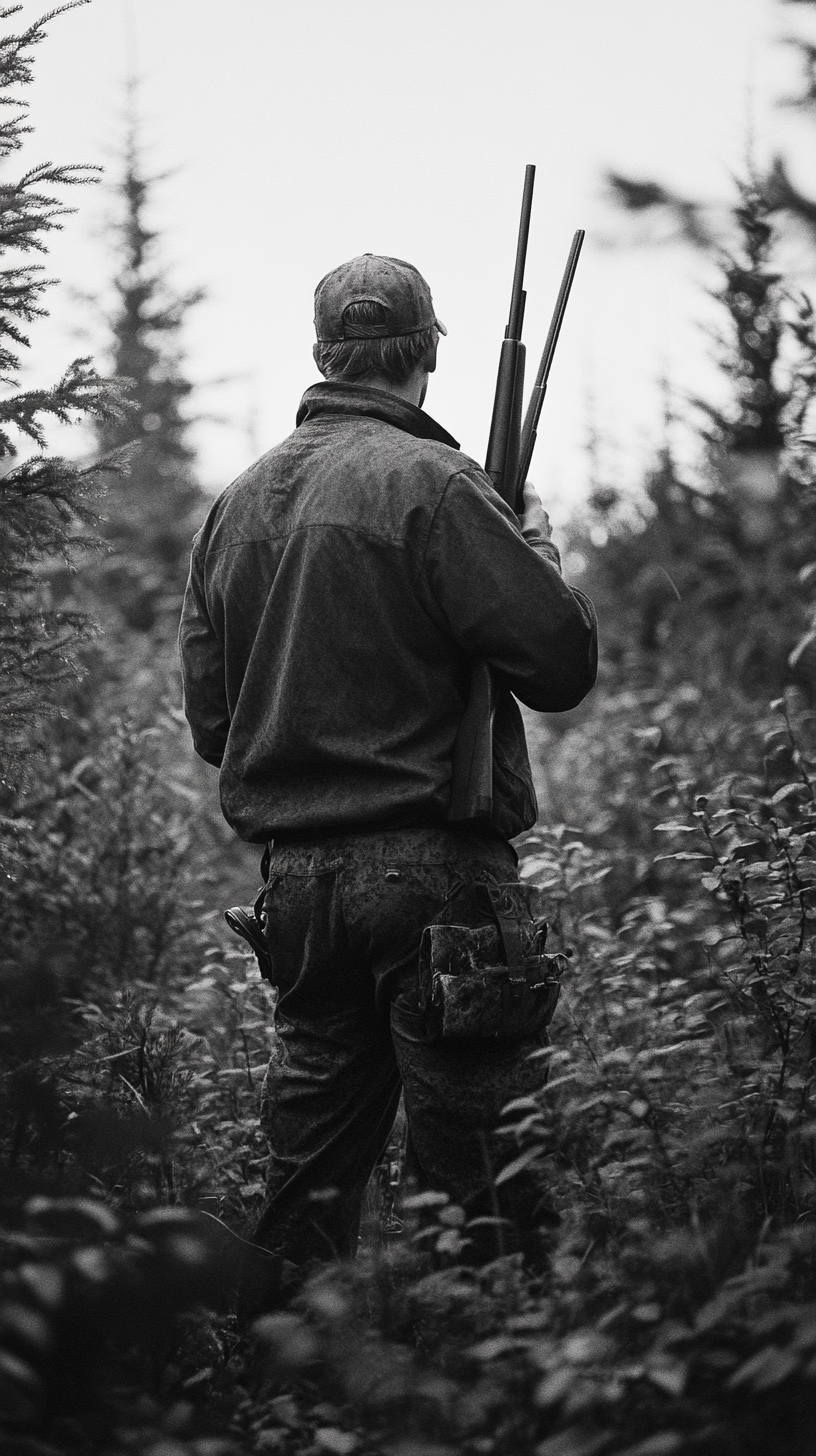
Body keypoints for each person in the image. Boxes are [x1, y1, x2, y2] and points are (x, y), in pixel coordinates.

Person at [178, 254, 597, 1293]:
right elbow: (560, 665)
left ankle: (282, 1397)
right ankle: (504, 1399)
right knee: (490, 1194)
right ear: (427, 354)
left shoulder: (234, 507)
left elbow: (214, 724)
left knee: (304, 1199)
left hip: (299, 897)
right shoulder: (440, 486)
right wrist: (530, 544)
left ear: (326, 353)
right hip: (439, 883)